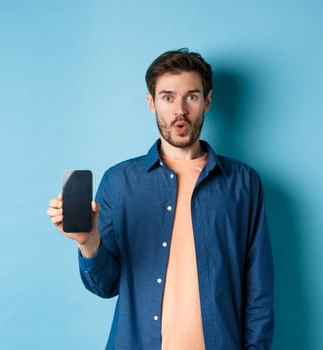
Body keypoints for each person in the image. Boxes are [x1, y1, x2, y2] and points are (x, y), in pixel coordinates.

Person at [47, 48, 274, 349]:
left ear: (207, 101)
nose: (180, 110)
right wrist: (88, 241)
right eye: (168, 97)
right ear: (151, 102)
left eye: (191, 96)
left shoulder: (243, 183)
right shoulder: (119, 182)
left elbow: (259, 293)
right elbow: (105, 285)